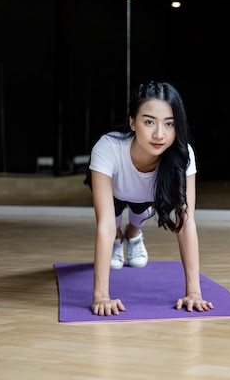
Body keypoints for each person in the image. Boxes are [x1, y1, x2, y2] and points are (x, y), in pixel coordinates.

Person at [84, 81, 214, 316]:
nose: (159, 134)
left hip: (145, 198)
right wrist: (101, 296)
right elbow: (102, 224)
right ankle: (119, 237)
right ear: (133, 122)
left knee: (139, 216)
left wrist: (194, 292)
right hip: (115, 193)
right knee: (112, 224)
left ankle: (133, 234)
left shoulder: (182, 156)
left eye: (169, 124)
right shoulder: (108, 148)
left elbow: (186, 223)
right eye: (149, 122)